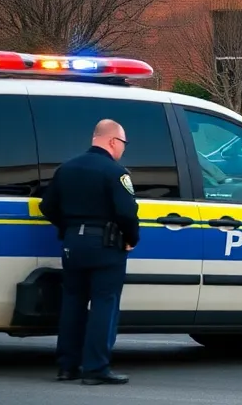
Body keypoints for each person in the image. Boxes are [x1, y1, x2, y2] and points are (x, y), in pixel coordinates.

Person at [38, 118, 138, 385]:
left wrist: (68, 227)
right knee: (105, 304)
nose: (123, 149)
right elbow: (127, 212)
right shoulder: (115, 172)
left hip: (73, 245)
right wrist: (131, 239)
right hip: (106, 246)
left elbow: (47, 206)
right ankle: (95, 368)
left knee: (73, 303)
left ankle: (67, 367)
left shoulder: (66, 169)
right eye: (123, 143)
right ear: (113, 141)